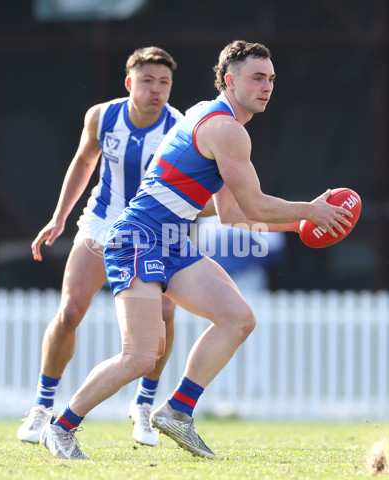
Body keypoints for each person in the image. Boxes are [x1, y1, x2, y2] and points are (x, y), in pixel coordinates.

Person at [39, 40, 353, 461]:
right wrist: (311, 210)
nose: (267, 87)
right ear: (230, 80)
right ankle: (60, 428)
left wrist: (300, 224)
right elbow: (256, 205)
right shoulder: (226, 130)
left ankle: (178, 411)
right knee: (139, 356)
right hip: (137, 237)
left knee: (238, 318)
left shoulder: (210, 116)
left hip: (170, 240)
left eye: (272, 79)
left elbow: (233, 214)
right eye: (257, 78)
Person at [17, 46, 184, 447]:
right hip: (101, 224)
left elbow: (185, 187)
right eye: (147, 81)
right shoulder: (102, 116)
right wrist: (59, 218)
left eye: (164, 82)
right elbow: (83, 162)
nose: (156, 90)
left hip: (153, 229)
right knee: (71, 310)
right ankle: (42, 408)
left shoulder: (179, 126)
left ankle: (144, 404)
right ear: (129, 83)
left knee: (164, 312)